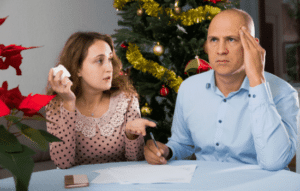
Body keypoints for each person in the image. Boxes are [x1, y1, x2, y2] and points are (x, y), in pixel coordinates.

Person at [144, 8, 300, 171]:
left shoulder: (283, 92)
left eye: (231, 39)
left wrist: (257, 80)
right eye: (214, 40)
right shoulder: (189, 88)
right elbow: (182, 143)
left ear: (252, 45)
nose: (220, 50)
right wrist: (167, 151)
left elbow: (274, 162)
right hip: (206, 184)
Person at [45, 32, 156, 169]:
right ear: (77, 68)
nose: (109, 67)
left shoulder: (127, 99)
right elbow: (63, 163)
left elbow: (135, 160)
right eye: (99, 61)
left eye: (109, 59)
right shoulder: (55, 105)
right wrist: (69, 103)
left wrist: (131, 135)